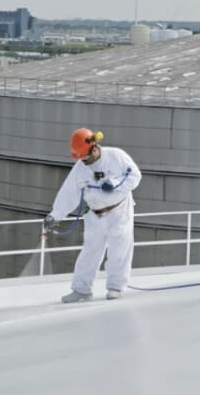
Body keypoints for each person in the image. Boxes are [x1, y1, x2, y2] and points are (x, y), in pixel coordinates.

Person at [43, 127, 142, 303]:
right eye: (80, 158)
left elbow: (134, 175)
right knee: (89, 252)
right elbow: (69, 193)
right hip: (95, 215)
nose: (84, 161)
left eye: (85, 157)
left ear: (94, 148)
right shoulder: (80, 168)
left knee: (119, 249)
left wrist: (115, 184)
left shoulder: (116, 156)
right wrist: (55, 215)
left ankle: (116, 286)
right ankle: (82, 290)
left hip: (119, 211)